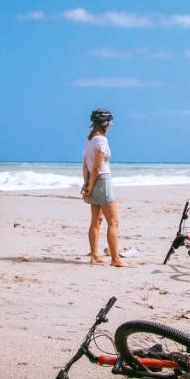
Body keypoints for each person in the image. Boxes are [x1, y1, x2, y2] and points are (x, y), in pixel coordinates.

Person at [82, 109, 124, 267]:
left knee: (96, 221)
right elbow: (98, 167)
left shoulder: (89, 140)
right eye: (110, 122)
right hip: (102, 181)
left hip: (92, 180)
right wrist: (90, 186)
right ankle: (115, 259)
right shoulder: (101, 141)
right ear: (105, 124)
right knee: (113, 222)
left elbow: (86, 166)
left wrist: (85, 184)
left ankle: (94, 256)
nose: (112, 124)